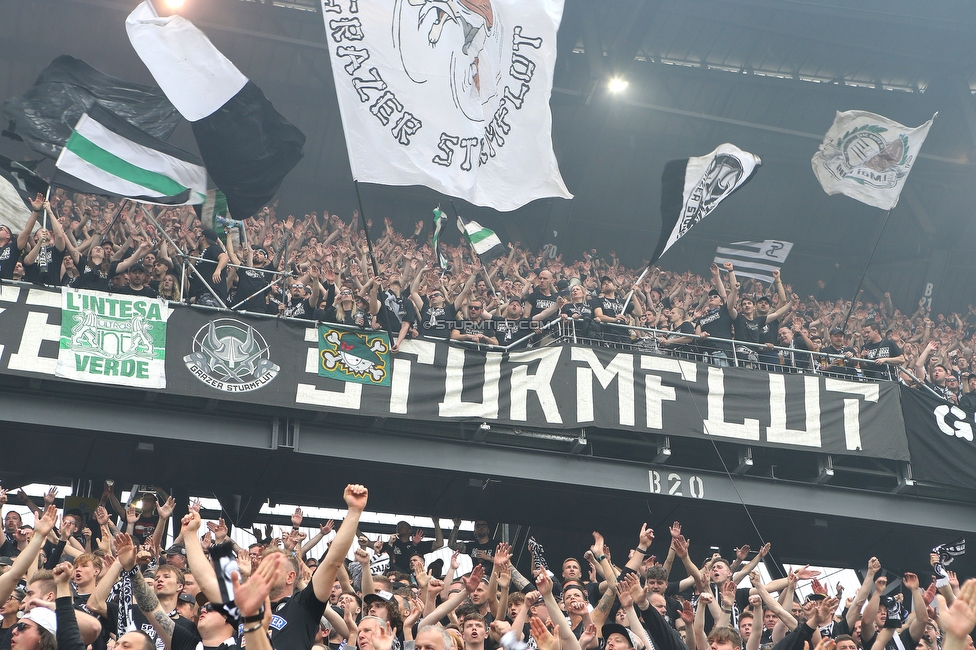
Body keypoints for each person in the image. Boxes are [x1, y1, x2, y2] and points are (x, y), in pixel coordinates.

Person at [187, 228, 229, 306]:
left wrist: (218, 270)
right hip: (201, 296)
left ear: (203, 238)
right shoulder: (203, 253)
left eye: (199, 237)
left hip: (211, 295)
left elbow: (224, 257)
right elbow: (188, 271)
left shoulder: (212, 248)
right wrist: (196, 252)